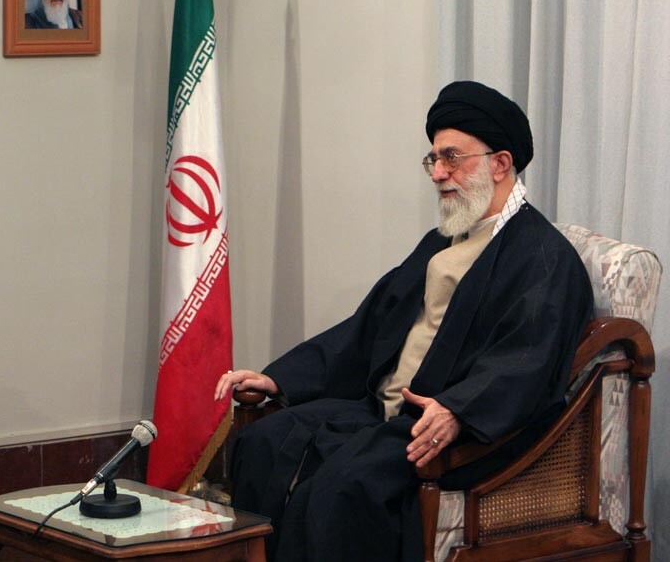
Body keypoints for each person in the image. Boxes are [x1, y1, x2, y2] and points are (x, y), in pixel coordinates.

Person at [214, 81, 593, 561]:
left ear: (500, 164)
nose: (438, 173)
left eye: (452, 158)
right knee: (263, 442)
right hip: (385, 412)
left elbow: (526, 361)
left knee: (342, 488)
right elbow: (371, 326)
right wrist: (280, 378)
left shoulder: (542, 258)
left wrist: (458, 410)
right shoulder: (444, 239)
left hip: (456, 433)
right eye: (433, 159)